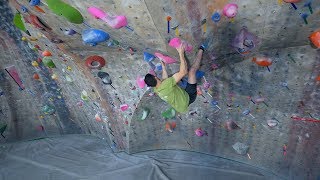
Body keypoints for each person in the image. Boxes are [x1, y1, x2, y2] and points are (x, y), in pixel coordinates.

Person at [144, 42, 205, 113]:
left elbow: (164, 80)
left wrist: (163, 67)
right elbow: (183, 71)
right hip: (189, 97)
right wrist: (181, 53)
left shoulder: (157, 89)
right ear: (155, 77)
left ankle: (194, 86)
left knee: (180, 81)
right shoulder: (166, 85)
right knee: (192, 71)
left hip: (181, 105)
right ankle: (202, 48)